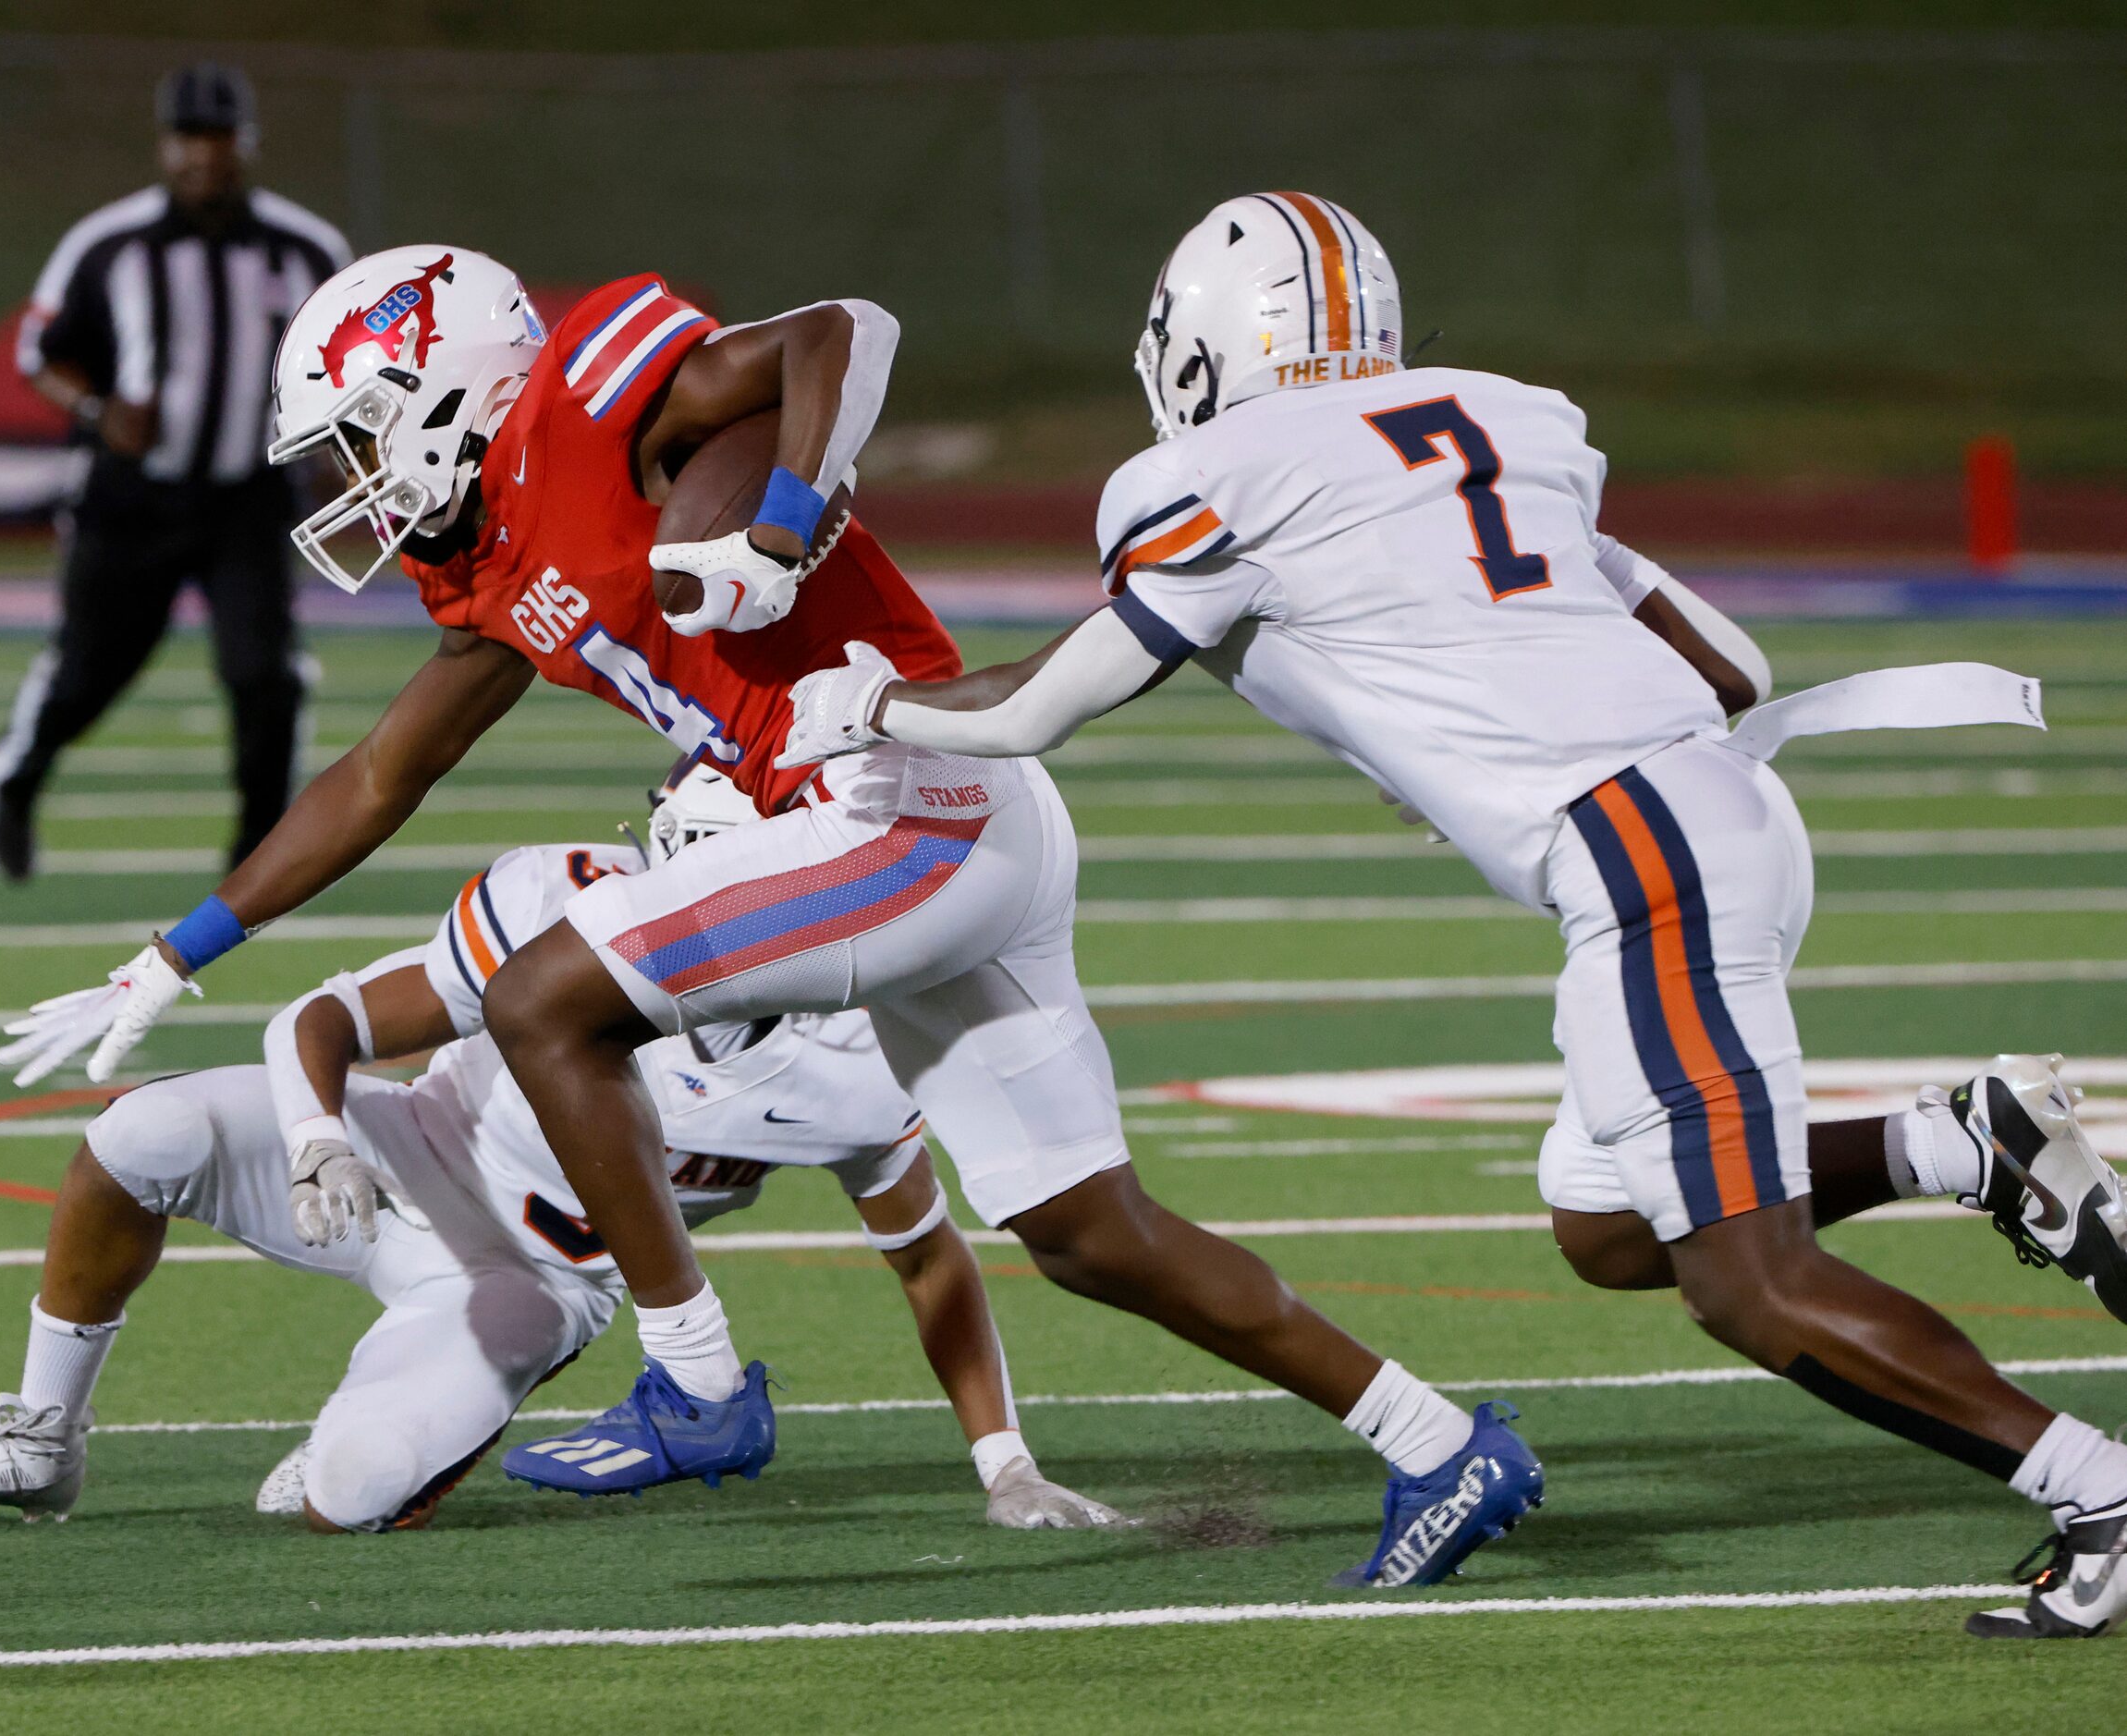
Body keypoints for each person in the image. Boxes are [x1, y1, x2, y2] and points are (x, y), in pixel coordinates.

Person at [0, 244, 1540, 1589]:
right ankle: (1440, 1438)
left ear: (442, 389)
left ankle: (696, 1379)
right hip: (944, 817)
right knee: (1086, 1232)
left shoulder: (590, 404)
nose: (347, 491)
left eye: (357, 443)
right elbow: (379, 773)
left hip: (898, 794)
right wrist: (173, 948)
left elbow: (842, 331)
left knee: (547, 998)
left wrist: (787, 510)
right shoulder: (497, 565)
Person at [778, 190, 2127, 1640]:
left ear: (1197, 348)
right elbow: (1731, 665)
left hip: (1635, 855)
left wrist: (863, 701)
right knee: (1606, 1222)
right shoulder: (1502, 419)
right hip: (1717, 812)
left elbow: (1035, 706)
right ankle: (1960, 1141)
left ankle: (2096, 1492)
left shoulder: (1221, 476)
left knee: (1746, 1281)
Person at [0, 772, 1126, 1533]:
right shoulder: (564, 908)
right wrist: (317, 1139)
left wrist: (1003, 1462)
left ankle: (413, 1427)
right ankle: (39, 1438)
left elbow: (925, 1256)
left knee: (343, 1491)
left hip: (529, 1281)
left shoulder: (854, 1056)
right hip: (406, 1145)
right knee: (137, 1131)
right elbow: (321, 1019)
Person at [0, 63, 350, 881]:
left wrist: (334, 451)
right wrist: (99, 410)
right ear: (164, 145)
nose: (202, 158)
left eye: (217, 139)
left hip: (248, 497)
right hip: (131, 496)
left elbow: (353, 364)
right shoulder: (110, 244)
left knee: (266, 674)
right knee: (87, 672)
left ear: (244, 145)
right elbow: (39, 352)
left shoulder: (307, 248)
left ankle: (260, 850)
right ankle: (15, 776)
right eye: (188, 138)